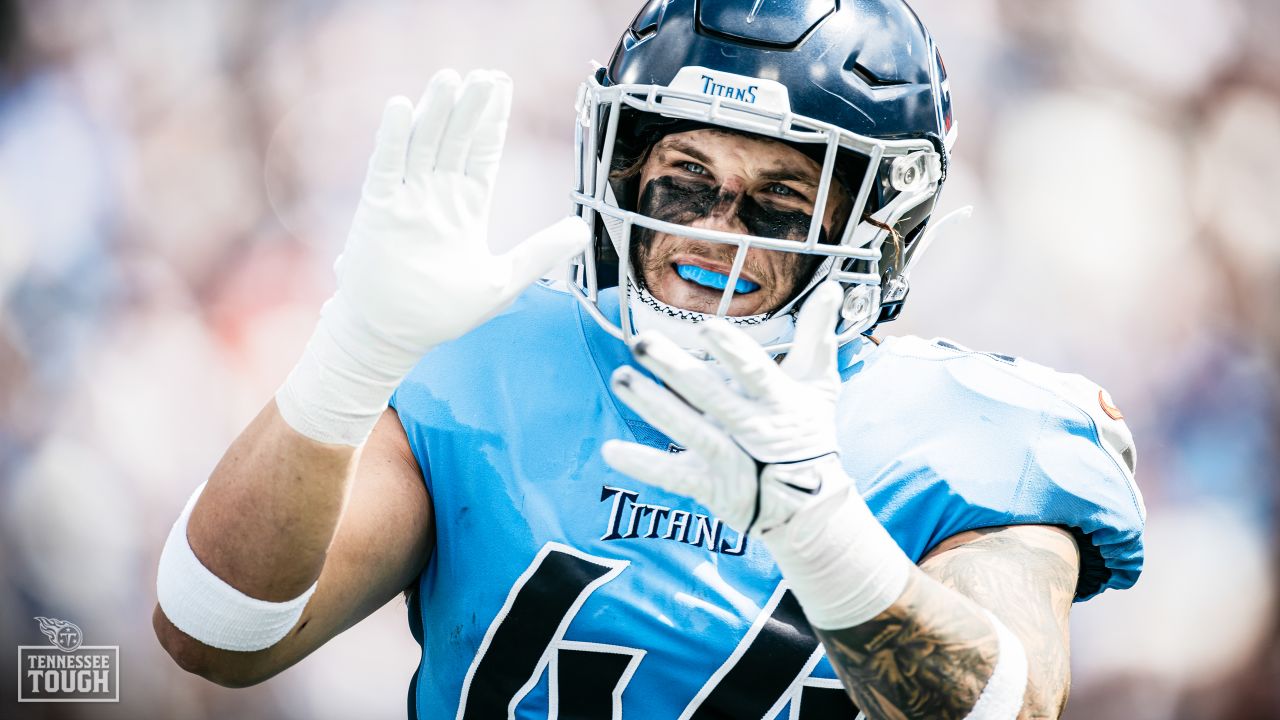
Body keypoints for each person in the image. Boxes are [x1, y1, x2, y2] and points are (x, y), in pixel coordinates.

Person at [153, 1, 1145, 718]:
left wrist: (825, 535)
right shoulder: (492, 364)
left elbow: (1007, 713)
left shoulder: (969, 433)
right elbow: (217, 634)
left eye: (779, 203)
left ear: (876, 226)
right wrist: (350, 357)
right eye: (683, 181)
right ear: (620, 169)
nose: (716, 232)